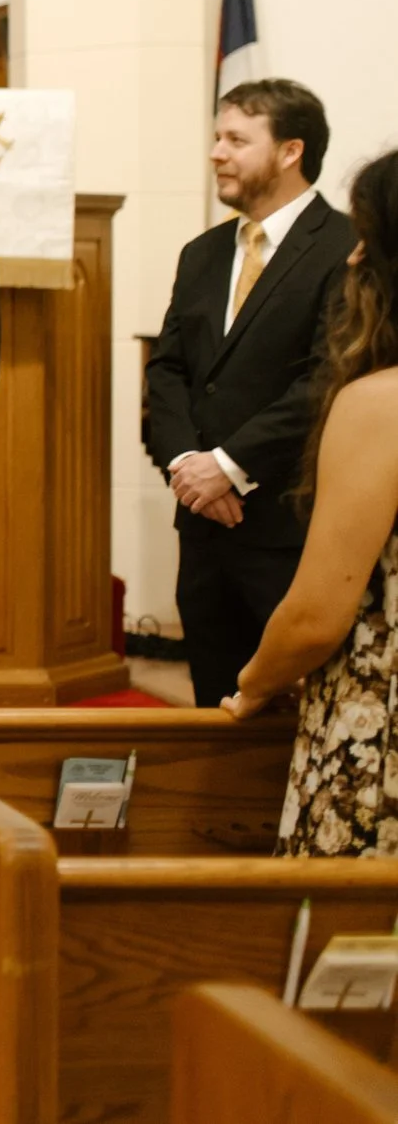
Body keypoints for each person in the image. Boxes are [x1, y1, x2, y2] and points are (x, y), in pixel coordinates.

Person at [146, 80, 352, 706]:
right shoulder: (203, 253)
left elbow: (329, 377)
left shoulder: (346, 247)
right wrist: (188, 466)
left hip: (288, 522)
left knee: (296, 710)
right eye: (217, 137)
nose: (216, 152)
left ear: (291, 151)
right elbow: (168, 371)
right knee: (213, 703)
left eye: (236, 139)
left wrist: (230, 467)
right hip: (204, 523)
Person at [223, 150, 398, 858]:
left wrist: (253, 681)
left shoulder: (379, 404)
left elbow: (317, 613)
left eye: (367, 236)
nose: (353, 256)